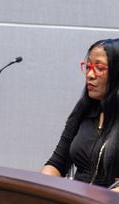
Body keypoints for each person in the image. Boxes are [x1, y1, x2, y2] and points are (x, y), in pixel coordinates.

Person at [42, 38, 119, 191]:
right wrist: (41, 188)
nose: (90, 75)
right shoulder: (84, 109)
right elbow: (57, 163)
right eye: (88, 66)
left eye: (99, 68)